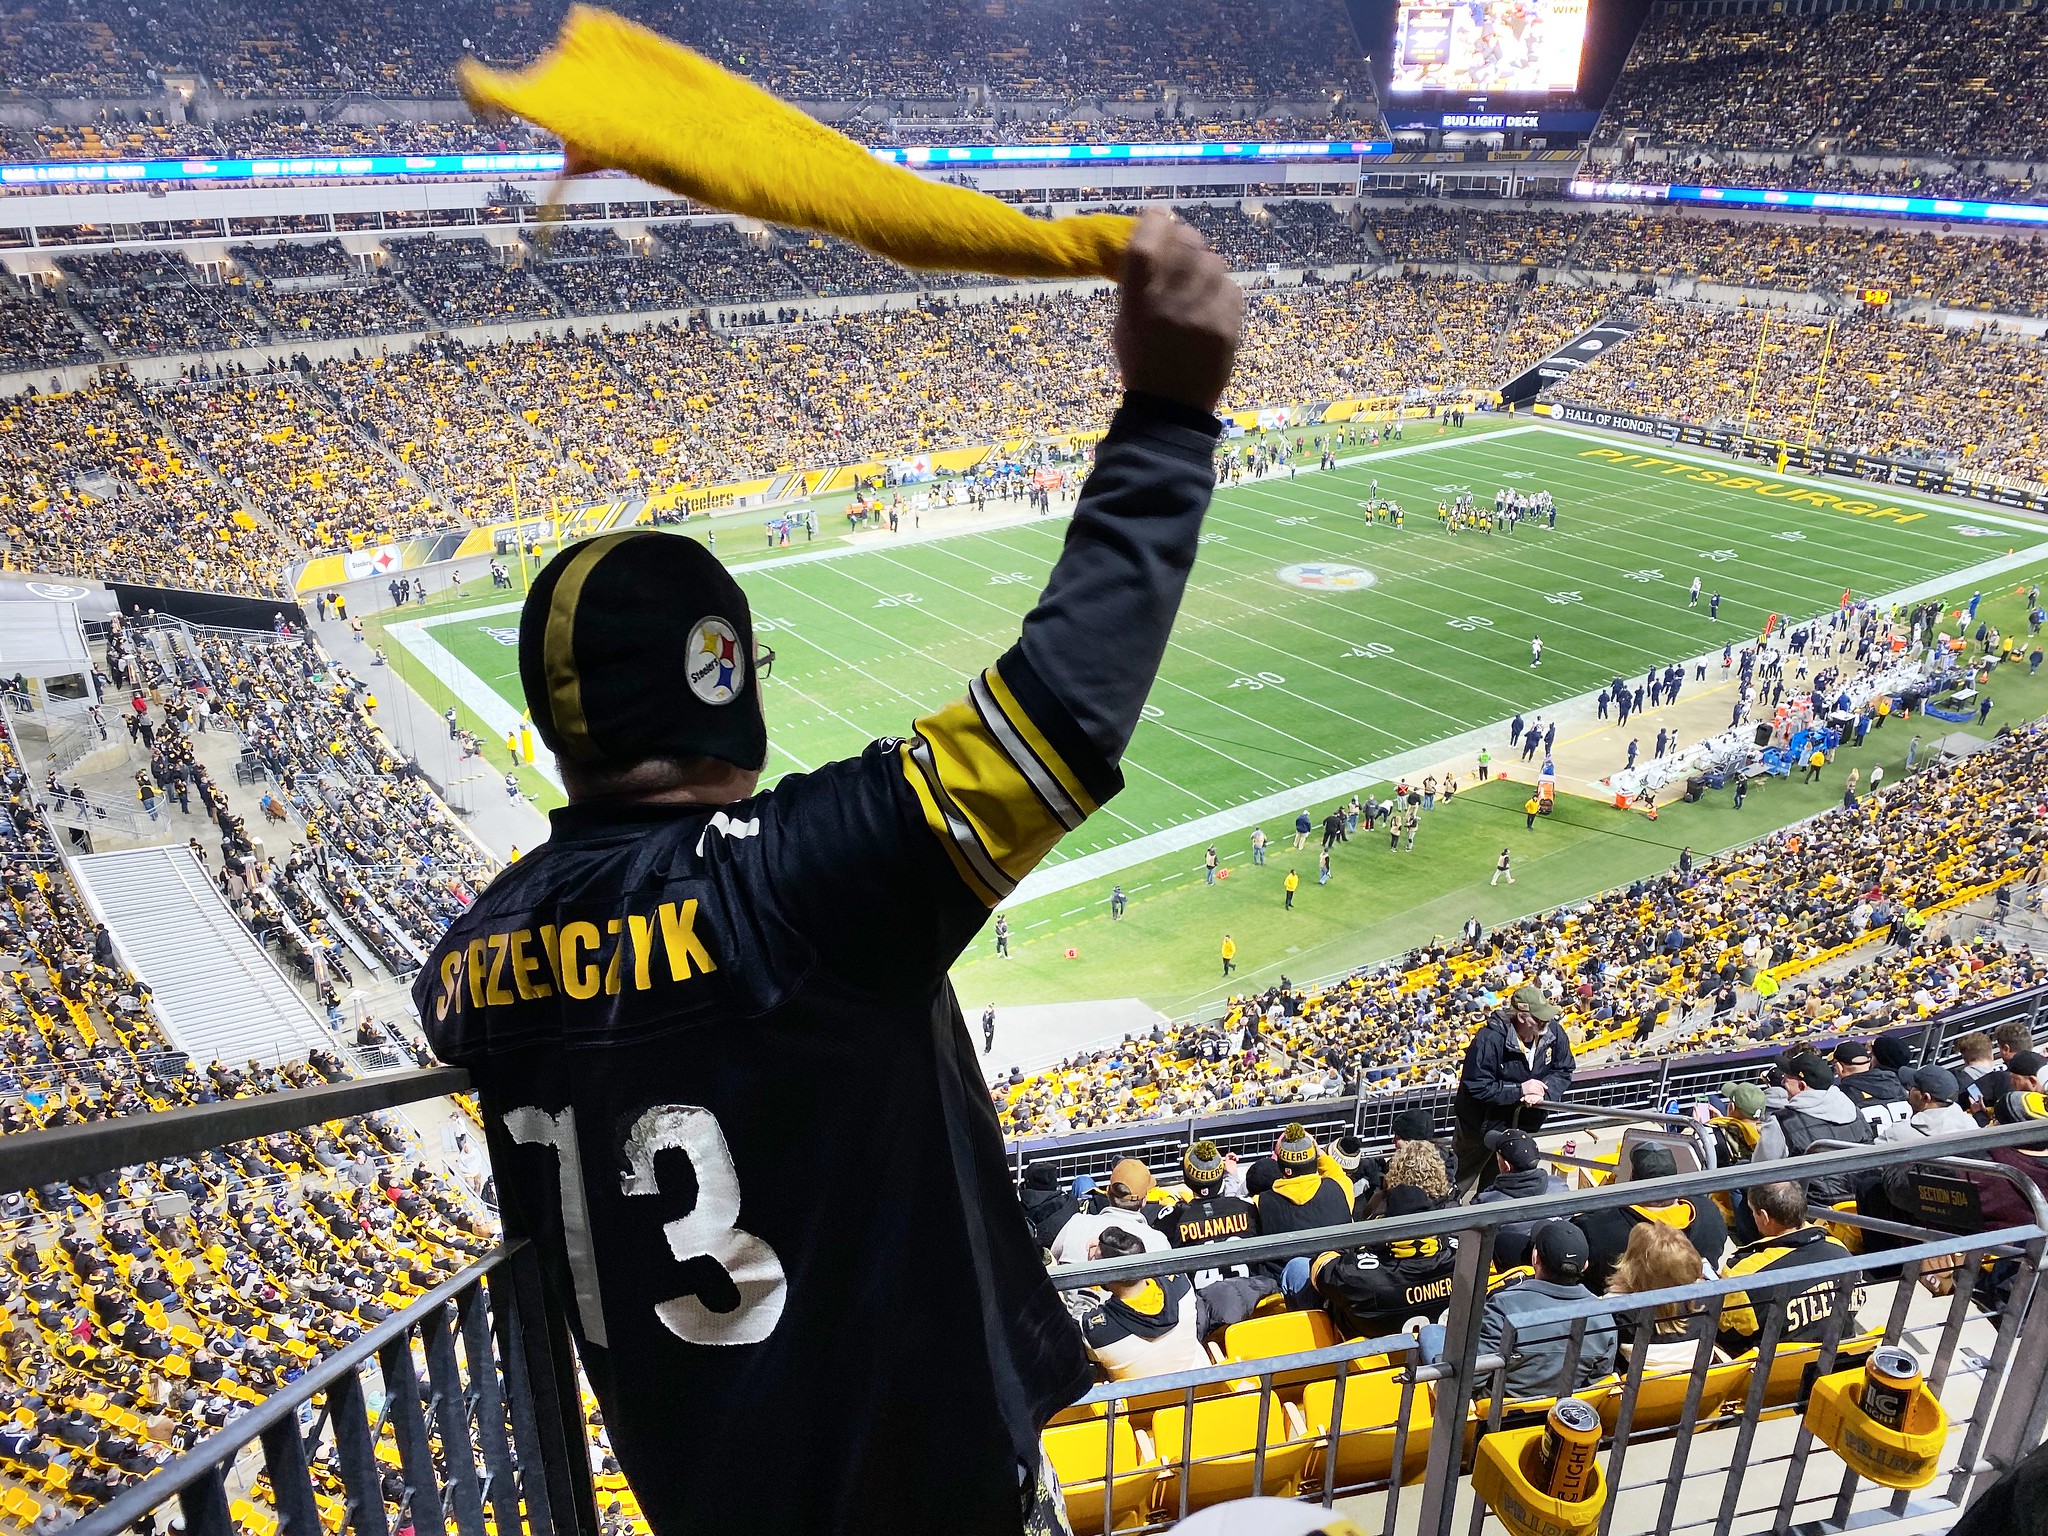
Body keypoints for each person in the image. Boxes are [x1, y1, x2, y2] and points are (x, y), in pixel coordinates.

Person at [414, 209, 1245, 1535]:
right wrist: (1168, 415)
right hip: (914, 1491)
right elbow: (1058, 717)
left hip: (701, 1499)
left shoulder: (466, 964)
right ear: (719, 683)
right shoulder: (785, 890)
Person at [1716, 1182, 1861, 1358]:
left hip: (1770, 1371)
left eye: (1753, 1211)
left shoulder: (1743, 1275)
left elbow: (1724, 1333)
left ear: (1764, 1216)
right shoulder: (1842, 1254)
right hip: (1838, 1361)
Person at [1453, 985, 1575, 1194]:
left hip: (1519, 1125)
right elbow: (1476, 1086)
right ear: (1521, 1016)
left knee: (1499, 1182)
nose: (1545, 1022)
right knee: (1460, 1176)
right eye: (1537, 1018)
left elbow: (1564, 1069)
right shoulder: (1489, 1039)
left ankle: (1486, 1210)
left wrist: (1543, 1092)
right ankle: (1443, 1209)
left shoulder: (1553, 1032)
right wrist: (1519, 1090)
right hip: (1479, 1126)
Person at [1295, 1184, 1457, 1341]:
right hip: (1441, 1351)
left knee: (1297, 1267)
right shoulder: (1463, 1259)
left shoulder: (1358, 1275)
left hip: (1368, 1356)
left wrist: (1356, 1247)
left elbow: (1320, 1269)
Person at [1476, 1222, 1616, 1401]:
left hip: (1499, 1414)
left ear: (1535, 1258)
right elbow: (1598, 1385)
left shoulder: (1502, 1306)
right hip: (1565, 1413)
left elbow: (1472, 1378)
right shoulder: (1603, 1316)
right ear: (1584, 1266)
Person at [1573, 1145, 1728, 1294]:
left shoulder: (1596, 1227)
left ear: (1633, 1180)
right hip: (1697, 1302)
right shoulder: (1710, 1212)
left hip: (1622, 1308)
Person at [1077, 1227, 1208, 1380]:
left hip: (1146, 1397)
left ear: (1103, 1276)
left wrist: (1090, 1282)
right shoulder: (1181, 1285)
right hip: (1203, 1389)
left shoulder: (1097, 1333)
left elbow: (1073, 1331)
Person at [1753, 1050, 1875, 1210]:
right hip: (1864, 1204)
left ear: (1801, 1086)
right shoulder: (1855, 1111)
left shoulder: (1782, 1122)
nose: (1783, 1082)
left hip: (1814, 1210)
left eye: (1786, 1078)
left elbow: (1760, 1171)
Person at [1606, 1223, 1723, 1371]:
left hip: (1640, 1382)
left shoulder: (1614, 1311)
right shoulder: (1711, 1298)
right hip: (1701, 1380)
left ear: (1633, 1264)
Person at [1049, 1160, 1173, 1267]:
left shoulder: (1075, 1224)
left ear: (1107, 1193)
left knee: (1082, 1181)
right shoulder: (1158, 1241)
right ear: (1144, 1201)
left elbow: (1052, 1261)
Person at [1474, 1128, 1567, 1267]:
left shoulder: (1486, 1202)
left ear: (1506, 1165)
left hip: (1508, 1269)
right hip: (1556, 1260)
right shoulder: (1560, 1186)